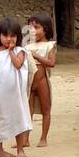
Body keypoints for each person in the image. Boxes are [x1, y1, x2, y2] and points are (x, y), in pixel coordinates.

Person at [0, 18, 32, 157]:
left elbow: (18, 65)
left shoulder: (20, 51)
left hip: (15, 94)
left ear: (18, 37)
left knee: (18, 118)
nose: (8, 39)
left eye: (12, 36)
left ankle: (20, 149)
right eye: (5, 35)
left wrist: (10, 51)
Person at [25, 13, 57, 147]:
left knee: (46, 109)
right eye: (30, 28)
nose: (33, 31)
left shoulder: (49, 45)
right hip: (29, 81)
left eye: (36, 27)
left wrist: (36, 56)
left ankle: (43, 138)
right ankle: (25, 139)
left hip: (42, 81)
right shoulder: (26, 46)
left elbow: (51, 63)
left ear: (46, 29)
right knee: (28, 111)